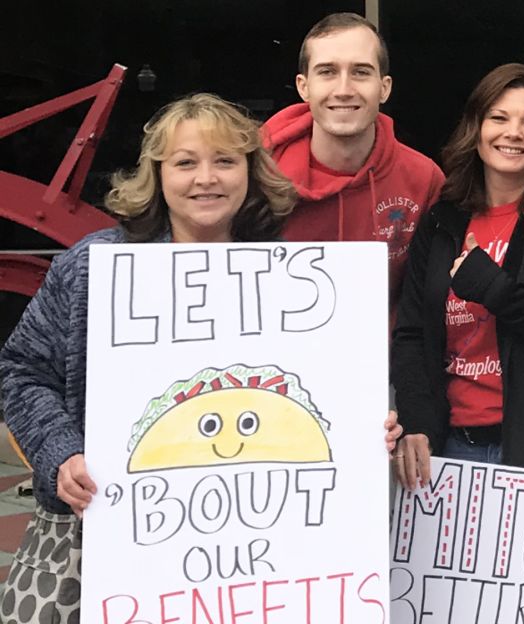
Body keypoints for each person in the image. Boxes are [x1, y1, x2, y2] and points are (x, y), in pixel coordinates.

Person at [0, 93, 403, 622]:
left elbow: (320, 399)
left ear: (251, 172)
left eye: (225, 161)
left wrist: (363, 433)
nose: (205, 178)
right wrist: (60, 452)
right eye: (185, 163)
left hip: (260, 563)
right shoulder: (94, 267)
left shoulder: (297, 281)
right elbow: (21, 371)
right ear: (158, 175)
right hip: (103, 543)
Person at [391, 63, 524, 489]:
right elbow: (412, 332)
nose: (514, 133)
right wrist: (417, 420)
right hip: (450, 451)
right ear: (476, 128)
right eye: (499, 118)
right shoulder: (443, 220)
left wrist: (493, 288)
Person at [264, 13, 445, 312]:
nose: (344, 89)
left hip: (385, 356)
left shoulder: (423, 179)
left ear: (384, 87)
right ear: (303, 86)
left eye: (361, 72)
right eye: (327, 72)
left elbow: (429, 297)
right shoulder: (258, 175)